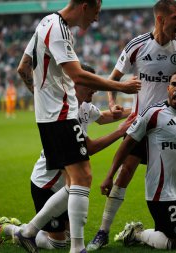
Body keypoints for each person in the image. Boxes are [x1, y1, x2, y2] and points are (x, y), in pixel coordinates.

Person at [87, 1, 176, 250]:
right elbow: (113, 80)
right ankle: (102, 232)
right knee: (124, 173)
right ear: (161, 19)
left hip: (175, 123)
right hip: (143, 124)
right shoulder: (137, 46)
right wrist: (113, 102)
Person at [15, 0, 141, 252]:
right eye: (96, 11)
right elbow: (78, 75)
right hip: (61, 115)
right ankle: (77, 247)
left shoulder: (45, 23)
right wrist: (121, 86)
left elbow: (23, 67)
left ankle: (28, 232)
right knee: (83, 177)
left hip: (51, 115)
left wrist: (42, 99)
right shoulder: (59, 29)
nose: (96, 18)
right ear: (86, 5)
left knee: (76, 182)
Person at [0, 64, 135, 251]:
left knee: (68, 234)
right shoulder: (64, 113)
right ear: (75, 84)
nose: (95, 89)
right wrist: (120, 131)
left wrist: (136, 111)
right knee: (57, 242)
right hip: (46, 185)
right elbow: (88, 148)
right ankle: (11, 229)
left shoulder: (85, 107)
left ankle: (29, 230)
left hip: (67, 185)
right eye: (90, 84)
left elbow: (103, 117)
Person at [109, 70, 176, 250]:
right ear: (168, 88)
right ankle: (136, 233)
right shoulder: (154, 114)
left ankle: (145, 234)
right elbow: (127, 144)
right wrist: (110, 175)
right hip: (160, 193)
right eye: (174, 85)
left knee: (169, 234)